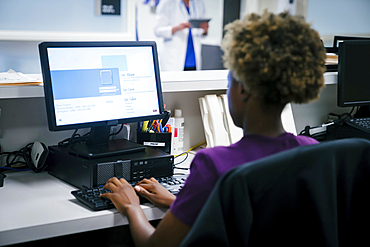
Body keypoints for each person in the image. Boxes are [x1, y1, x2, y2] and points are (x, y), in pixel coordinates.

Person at [101, 11, 327, 247]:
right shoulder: (310, 150)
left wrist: (131, 207)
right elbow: (255, 219)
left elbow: (155, 245)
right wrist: (175, 202)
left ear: (243, 90)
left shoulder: (214, 163)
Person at [154, 0, 209, 71]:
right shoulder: (167, 3)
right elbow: (157, 30)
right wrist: (176, 28)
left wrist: (204, 30)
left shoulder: (199, 3)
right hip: (174, 58)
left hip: (193, 57)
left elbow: (201, 33)